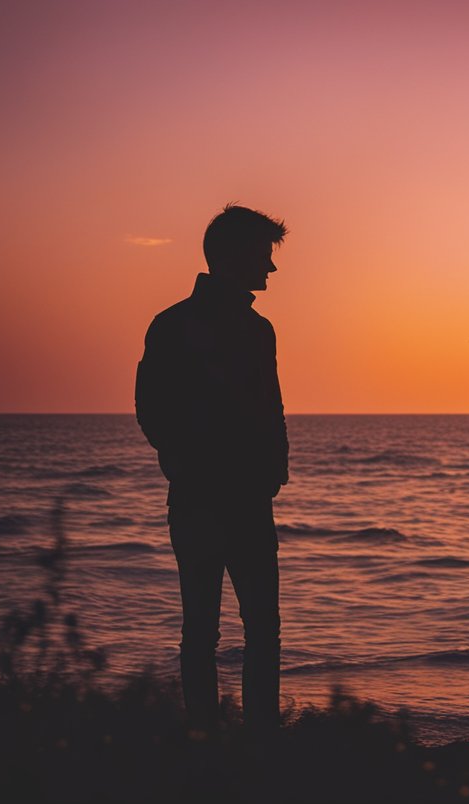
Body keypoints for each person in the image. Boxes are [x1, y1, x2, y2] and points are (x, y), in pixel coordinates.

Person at [135, 204, 289, 735]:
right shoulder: (175, 325)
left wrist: (274, 469)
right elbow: (151, 407)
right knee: (203, 631)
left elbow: (272, 407)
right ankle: (206, 739)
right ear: (230, 257)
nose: (270, 269)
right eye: (263, 257)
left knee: (260, 630)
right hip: (201, 499)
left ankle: (258, 738)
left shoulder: (258, 329)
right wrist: (184, 461)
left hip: (248, 501)